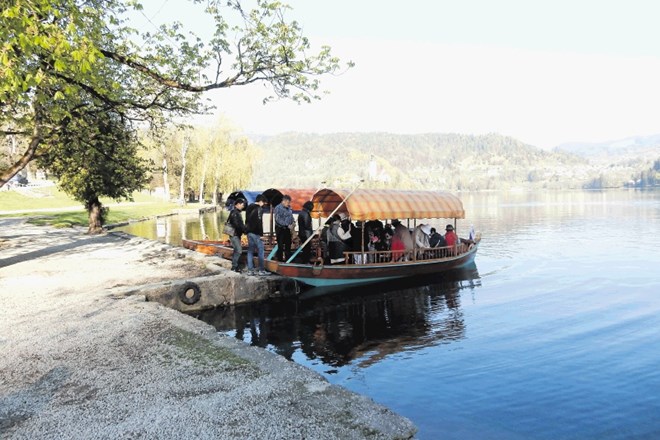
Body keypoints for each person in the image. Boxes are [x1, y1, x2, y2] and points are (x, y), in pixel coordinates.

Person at [245, 194, 270, 276]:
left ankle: (250, 270)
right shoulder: (259, 209)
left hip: (249, 232)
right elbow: (259, 223)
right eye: (264, 203)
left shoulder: (249, 207)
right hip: (256, 233)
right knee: (261, 250)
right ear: (261, 201)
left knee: (250, 251)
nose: (264, 205)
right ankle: (261, 270)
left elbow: (246, 220)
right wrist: (261, 234)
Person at [273, 194, 294, 262]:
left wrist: (292, 223)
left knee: (288, 244)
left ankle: (288, 260)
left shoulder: (289, 208)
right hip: (280, 229)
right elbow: (278, 220)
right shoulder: (278, 208)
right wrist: (287, 224)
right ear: (284, 201)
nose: (288, 204)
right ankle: (280, 260)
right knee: (280, 245)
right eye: (288, 202)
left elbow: (291, 217)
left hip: (288, 229)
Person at [228, 198, 247, 272]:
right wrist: (244, 230)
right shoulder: (235, 213)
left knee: (236, 250)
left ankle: (235, 266)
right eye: (242, 205)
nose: (243, 206)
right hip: (234, 234)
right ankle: (234, 267)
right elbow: (237, 225)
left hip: (235, 234)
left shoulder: (236, 212)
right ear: (237, 204)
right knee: (239, 250)